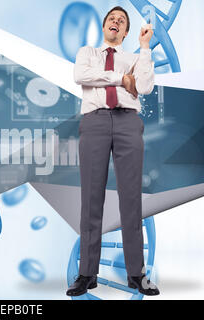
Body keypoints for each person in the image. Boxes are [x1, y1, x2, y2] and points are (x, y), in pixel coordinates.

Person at [66, 6, 160, 296]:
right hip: (94, 122)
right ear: (105, 26)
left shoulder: (134, 57)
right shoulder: (88, 54)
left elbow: (143, 86)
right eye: (112, 19)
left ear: (127, 32)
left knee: (131, 199)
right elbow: (82, 75)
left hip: (128, 122)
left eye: (122, 21)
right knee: (91, 198)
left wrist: (144, 48)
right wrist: (121, 79)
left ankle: (136, 274)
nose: (116, 22)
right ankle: (87, 274)